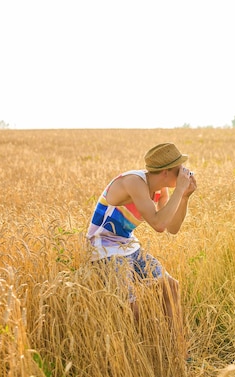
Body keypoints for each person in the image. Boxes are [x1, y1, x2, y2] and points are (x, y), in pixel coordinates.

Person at [86, 142, 197, 359]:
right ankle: (141, 357)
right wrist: (181, 189)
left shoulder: (161, 189)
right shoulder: (133, 181)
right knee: (130, 306)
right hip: (104, 248)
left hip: (127, 245)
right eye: (180, 169)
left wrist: (184, 196)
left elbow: (172, 227)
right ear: (166, 172)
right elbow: (158, 224)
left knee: (170, 287)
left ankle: (179, 352)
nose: (185, 172)